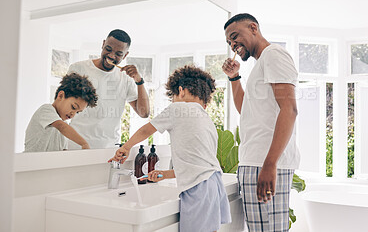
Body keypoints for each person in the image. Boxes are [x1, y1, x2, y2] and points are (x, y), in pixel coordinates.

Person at [109, 65, 231, 232]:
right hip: (213, 185)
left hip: (198, 189)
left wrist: (126, 147)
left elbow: (146, 130)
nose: (173, 101)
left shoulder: (177, 108)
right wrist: (166, 174)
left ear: (181, 91)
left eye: (173, 97)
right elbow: (197, 164)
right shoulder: (207, 120)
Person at [222, 13, 300, 232]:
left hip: (264, 163)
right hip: (255, 161)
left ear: (253, 28)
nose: (233, 44)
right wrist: (234, 78)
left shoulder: (274, 55)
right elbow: (244, 109)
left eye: (235, 36)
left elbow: (290, 109)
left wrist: (270, 164)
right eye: (229, 42)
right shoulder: (261, 64)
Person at [67, 29, 150, 149]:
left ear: (125, 55)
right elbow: (64, 106)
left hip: (109, 148)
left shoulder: (125, 78)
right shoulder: (78, 68)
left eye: (118, 54)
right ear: (103, 44)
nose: (111, 56)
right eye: (108, 49)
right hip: (76, 145)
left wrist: (139, 81)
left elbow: (144, 113)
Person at [24, 73, 98, 152]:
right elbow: (62, 127)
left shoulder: (63, 132)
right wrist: (84, 143)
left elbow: (63, 153)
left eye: (77, 112)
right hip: (30, 162)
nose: (73, 114)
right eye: (73, 107)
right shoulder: (46, 110)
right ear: (61, 95)